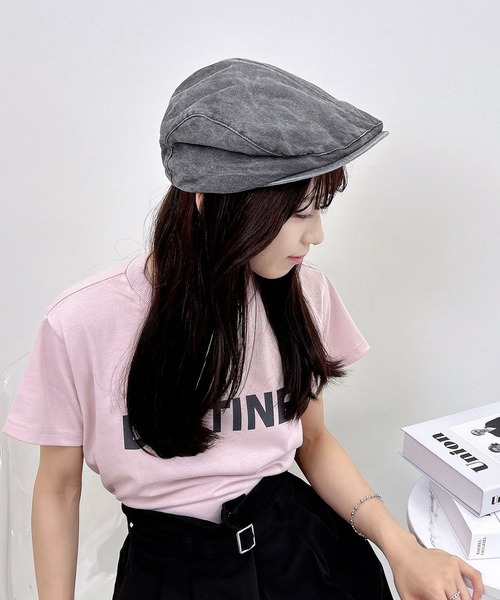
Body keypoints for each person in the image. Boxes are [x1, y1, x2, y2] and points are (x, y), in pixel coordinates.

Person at [2, 58, 483, 600]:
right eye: (299, 214)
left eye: (319, 211)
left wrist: (402, 549)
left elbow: (314, 441)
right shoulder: (81, 322)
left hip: (301, 555)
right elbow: (58, 490)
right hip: (168, 574)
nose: (317, 235)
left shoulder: (303, 293)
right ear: (210, 203)